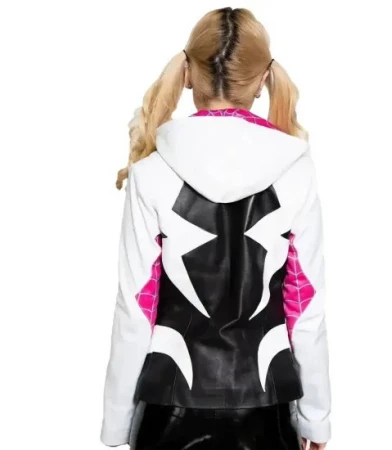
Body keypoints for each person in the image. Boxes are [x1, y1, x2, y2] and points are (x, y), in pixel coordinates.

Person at [100, 7, 331, 450]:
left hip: (169, 412)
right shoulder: (296, 171)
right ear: (263, 80)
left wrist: (117, 424)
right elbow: (305, 309)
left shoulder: (151, 173)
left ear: (188, 74)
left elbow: (136, 309)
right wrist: (315, 418)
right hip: (266, 414)